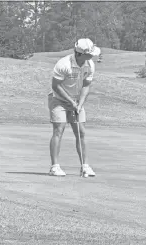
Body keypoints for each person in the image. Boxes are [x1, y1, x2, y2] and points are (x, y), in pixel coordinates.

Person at [48, 38, 101, 177]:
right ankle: (54, 167)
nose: (93, 56)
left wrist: (80, 103)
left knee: (81, 132)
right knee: (59, 129)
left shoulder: (89, 64)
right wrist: (71, 102)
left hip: (76, 101)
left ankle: (85, 166)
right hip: (58, 100)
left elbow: (86, 85)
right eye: (90, 53)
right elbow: (56, 86)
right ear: (79, 53)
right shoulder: (63, 64)